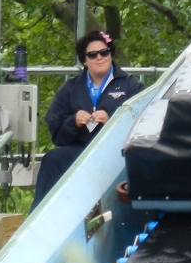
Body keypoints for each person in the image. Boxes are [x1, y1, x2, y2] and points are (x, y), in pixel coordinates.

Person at [34, 30, 143, 207]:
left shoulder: (131, 85)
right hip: (81, 149)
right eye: (92, 55)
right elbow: (54, 125)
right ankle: (39, 217)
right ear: (84, 61)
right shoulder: (70, 88)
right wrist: (73, 122)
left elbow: (141, 120)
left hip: (115, 153)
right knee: (53, 159)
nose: (99, 58)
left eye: (104, 52)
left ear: (111, 55)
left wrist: (112, 120)